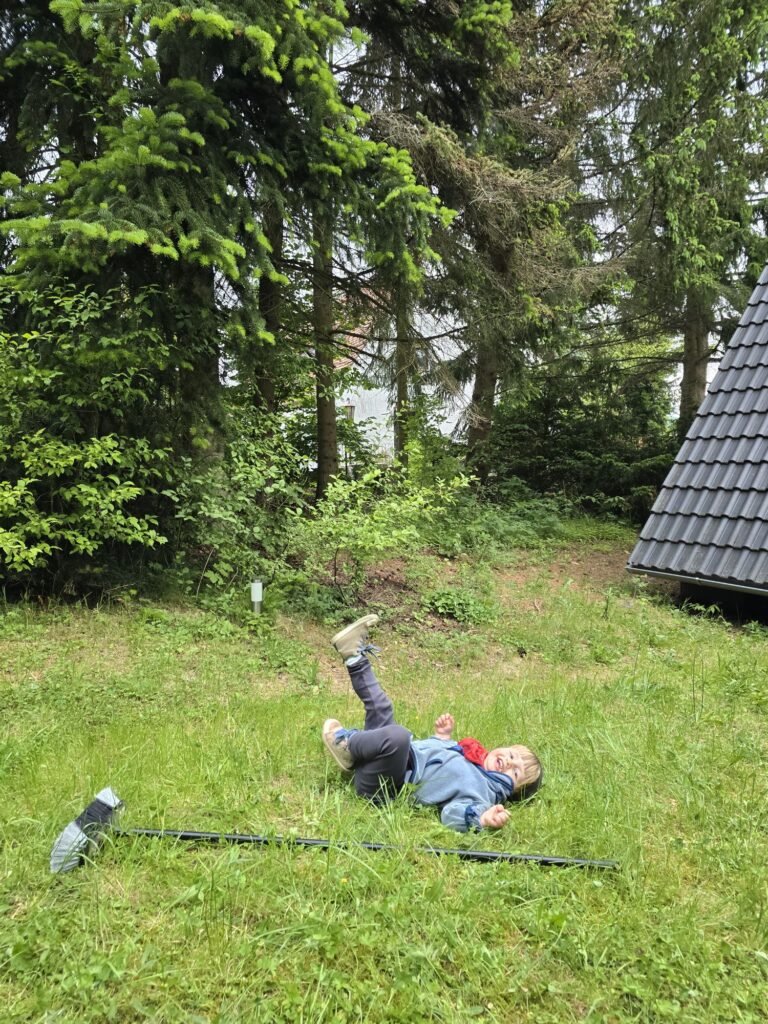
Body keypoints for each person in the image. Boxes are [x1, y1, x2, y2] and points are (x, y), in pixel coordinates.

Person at [321, 615, 542, 833]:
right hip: (390, 760)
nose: (508, 763)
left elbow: (452, 814)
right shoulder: (472, 756)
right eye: (512, 755)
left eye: (515, 773)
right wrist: (442, 738)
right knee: (382, 708)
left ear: (511, 791)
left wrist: (481, 818)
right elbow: (435, 762)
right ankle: (353, 655)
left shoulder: (482, 791)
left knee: (398, 737)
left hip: (383, 786)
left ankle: (348, 745)